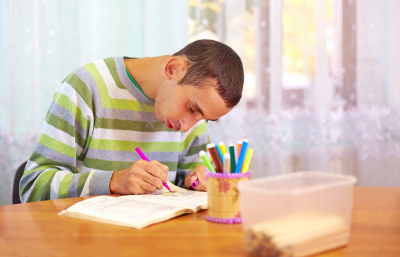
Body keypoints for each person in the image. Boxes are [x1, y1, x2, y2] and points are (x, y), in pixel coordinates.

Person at [19, 39, 244, 202]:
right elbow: (33, 186)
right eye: (192, 108)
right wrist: (114, 181)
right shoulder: (87, 87)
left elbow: (187, 190)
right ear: (173, 69)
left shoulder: (193, 115)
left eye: (205, 119)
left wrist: (200, 181)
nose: (188, 126)